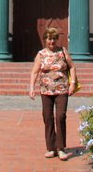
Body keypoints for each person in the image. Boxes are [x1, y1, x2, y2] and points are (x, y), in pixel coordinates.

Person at [29, 27, 77, 161]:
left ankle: (61, 148)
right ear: (45, 39)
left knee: (60, 116)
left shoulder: (62, 52)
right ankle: (51, 148)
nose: (52, 41)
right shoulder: (41, 54)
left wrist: (72, 83)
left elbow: (72, 67)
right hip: (46, 91)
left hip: (62, 89)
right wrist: (31, 87)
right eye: (49, 38)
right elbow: (34, 71)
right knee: (47, 117)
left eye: (54, 38)